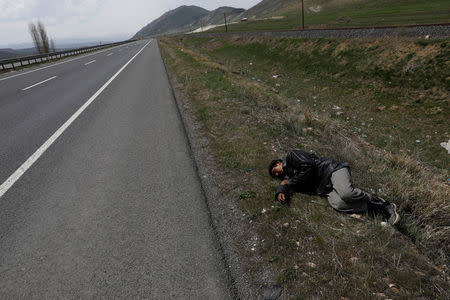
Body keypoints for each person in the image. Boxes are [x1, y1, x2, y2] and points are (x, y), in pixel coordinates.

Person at [268, 149, 399, 225]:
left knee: (346, 193)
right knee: (339, 204)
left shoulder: (292, 157)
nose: (277, 173)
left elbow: (309, 165)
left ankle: (382, 203)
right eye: (276, 175)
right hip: (325, 188)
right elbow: (286, 185)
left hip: (332, 170)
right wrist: (281, 190)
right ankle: (375, 209)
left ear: (279, 162)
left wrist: (289, 182)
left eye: (275, 170)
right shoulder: (290, 179)